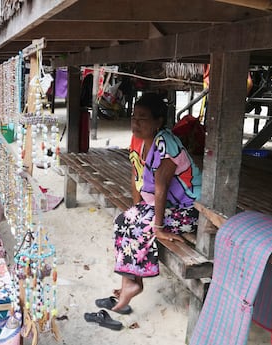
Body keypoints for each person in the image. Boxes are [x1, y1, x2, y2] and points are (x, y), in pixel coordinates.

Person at [85, 93, 202, 330]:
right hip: (162, 206)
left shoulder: (166, 143)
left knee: (141, 225)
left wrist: (158, 228)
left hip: (187, 210)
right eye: (134, 117)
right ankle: (129, 281)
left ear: (158, 122)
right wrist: (136, 208)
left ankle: (133, 284)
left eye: (143, 118)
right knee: (123, 221)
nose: (136, 123)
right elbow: (136, 177)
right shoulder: (139, 140)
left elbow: (161, 187)